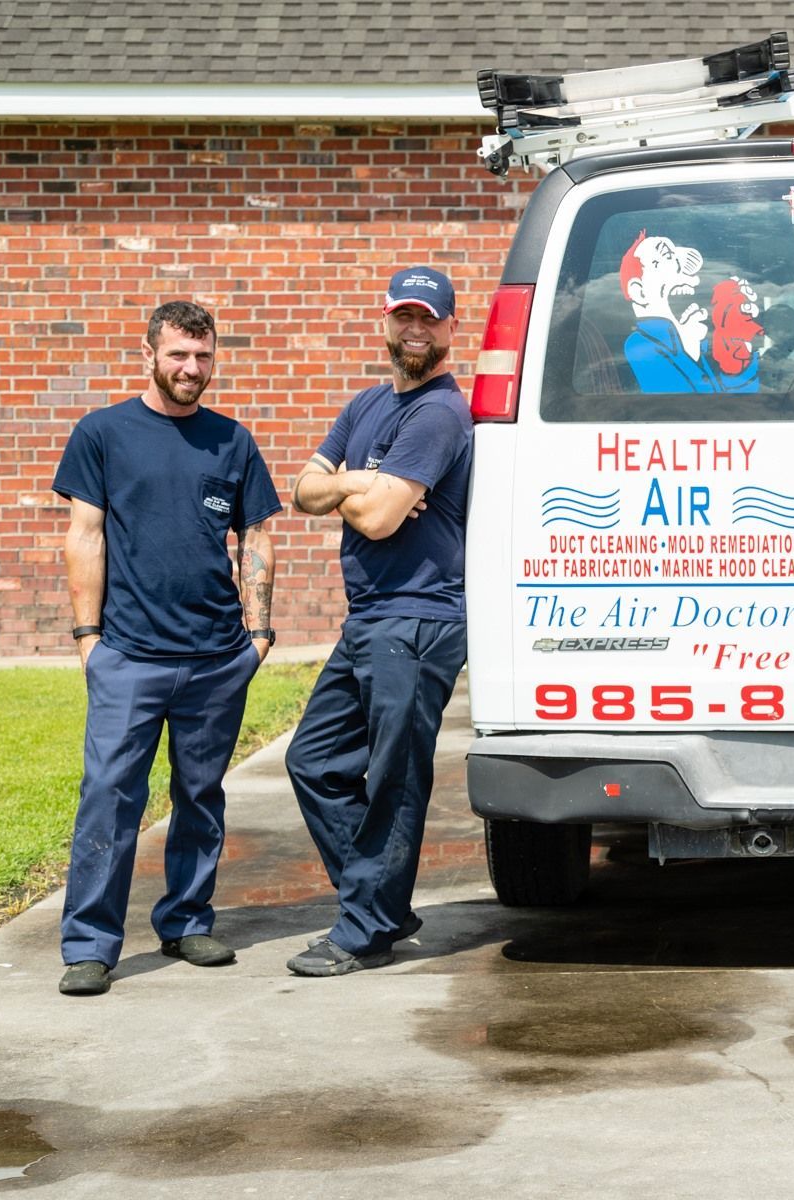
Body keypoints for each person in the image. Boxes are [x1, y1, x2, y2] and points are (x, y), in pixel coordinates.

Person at [51, 301, 280, 997]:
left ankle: (186, 920)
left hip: (215, 656)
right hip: (129, 652)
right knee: (109, 798)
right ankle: (91, 942)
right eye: (179, 354)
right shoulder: (103, 433)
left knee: (201, 794)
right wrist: (89, 638)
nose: (192, 369)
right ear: (149, 352)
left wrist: (259, 633)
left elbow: (259, 535)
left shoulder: (231, 440)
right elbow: (84, 535)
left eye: (204, 356)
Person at [283, 267, 471, 977]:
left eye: (429, 318)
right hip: (370, 617)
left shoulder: (439, 414)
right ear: (385, 322)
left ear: (452, 328)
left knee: (393, 776)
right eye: (404, 317)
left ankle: (363, 930)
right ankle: (382, 902)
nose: (415, 330)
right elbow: (300, 490)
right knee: (314, 761)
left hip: (419, 617)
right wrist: (358, 481)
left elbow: (381, 517)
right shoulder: (366, 404)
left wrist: (349, 487)